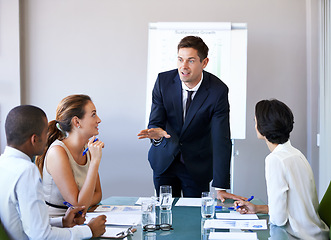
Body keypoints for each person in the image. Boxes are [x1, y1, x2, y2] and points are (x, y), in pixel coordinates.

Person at [138, 35, 245, 201]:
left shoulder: (217, 91)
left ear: (204, 63)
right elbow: (156, 123)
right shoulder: (163, 81)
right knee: (165, 216)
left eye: (191, 60)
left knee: (194, 219)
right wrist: (157, 136)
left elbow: (221, 139)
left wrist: (221, 186)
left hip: (197, 166)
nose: (184, 66)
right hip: (165, 160)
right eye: (180, 59)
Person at [0, 105, 106, 239]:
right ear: (34, 139)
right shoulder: (26, 170)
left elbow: (26, 222)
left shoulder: (3, 164)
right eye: (45, 133)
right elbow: (42, 236)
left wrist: (62, 222)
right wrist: (89, 230)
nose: (48, 138)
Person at [235, 99, 329, 239]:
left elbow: (278, 219)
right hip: (316, 234)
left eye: (255, 121)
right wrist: (257, 208)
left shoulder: (275, 160)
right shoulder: (296, 154)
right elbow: (293, 208)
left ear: (263, 126)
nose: (254, 125)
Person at [35, 94, 104, 217]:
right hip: (57, 226)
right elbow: (78, 206)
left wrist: (83, 203)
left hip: (80, 220)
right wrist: (95, 162)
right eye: (93, 114)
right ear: (77, 121)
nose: (98, 120)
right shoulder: (57, 152)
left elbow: (98, 194)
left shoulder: (87, 150)